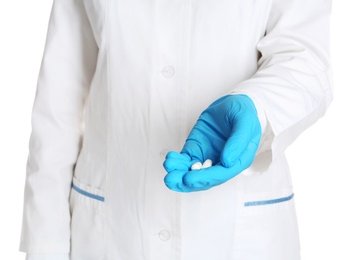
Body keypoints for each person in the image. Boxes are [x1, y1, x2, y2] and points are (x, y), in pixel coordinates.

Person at [19, 0, 333, 259]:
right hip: (112, 232)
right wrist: (45, 245)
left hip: (239, 233)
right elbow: (57, 108)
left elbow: (305, 58)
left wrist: (259, 106)